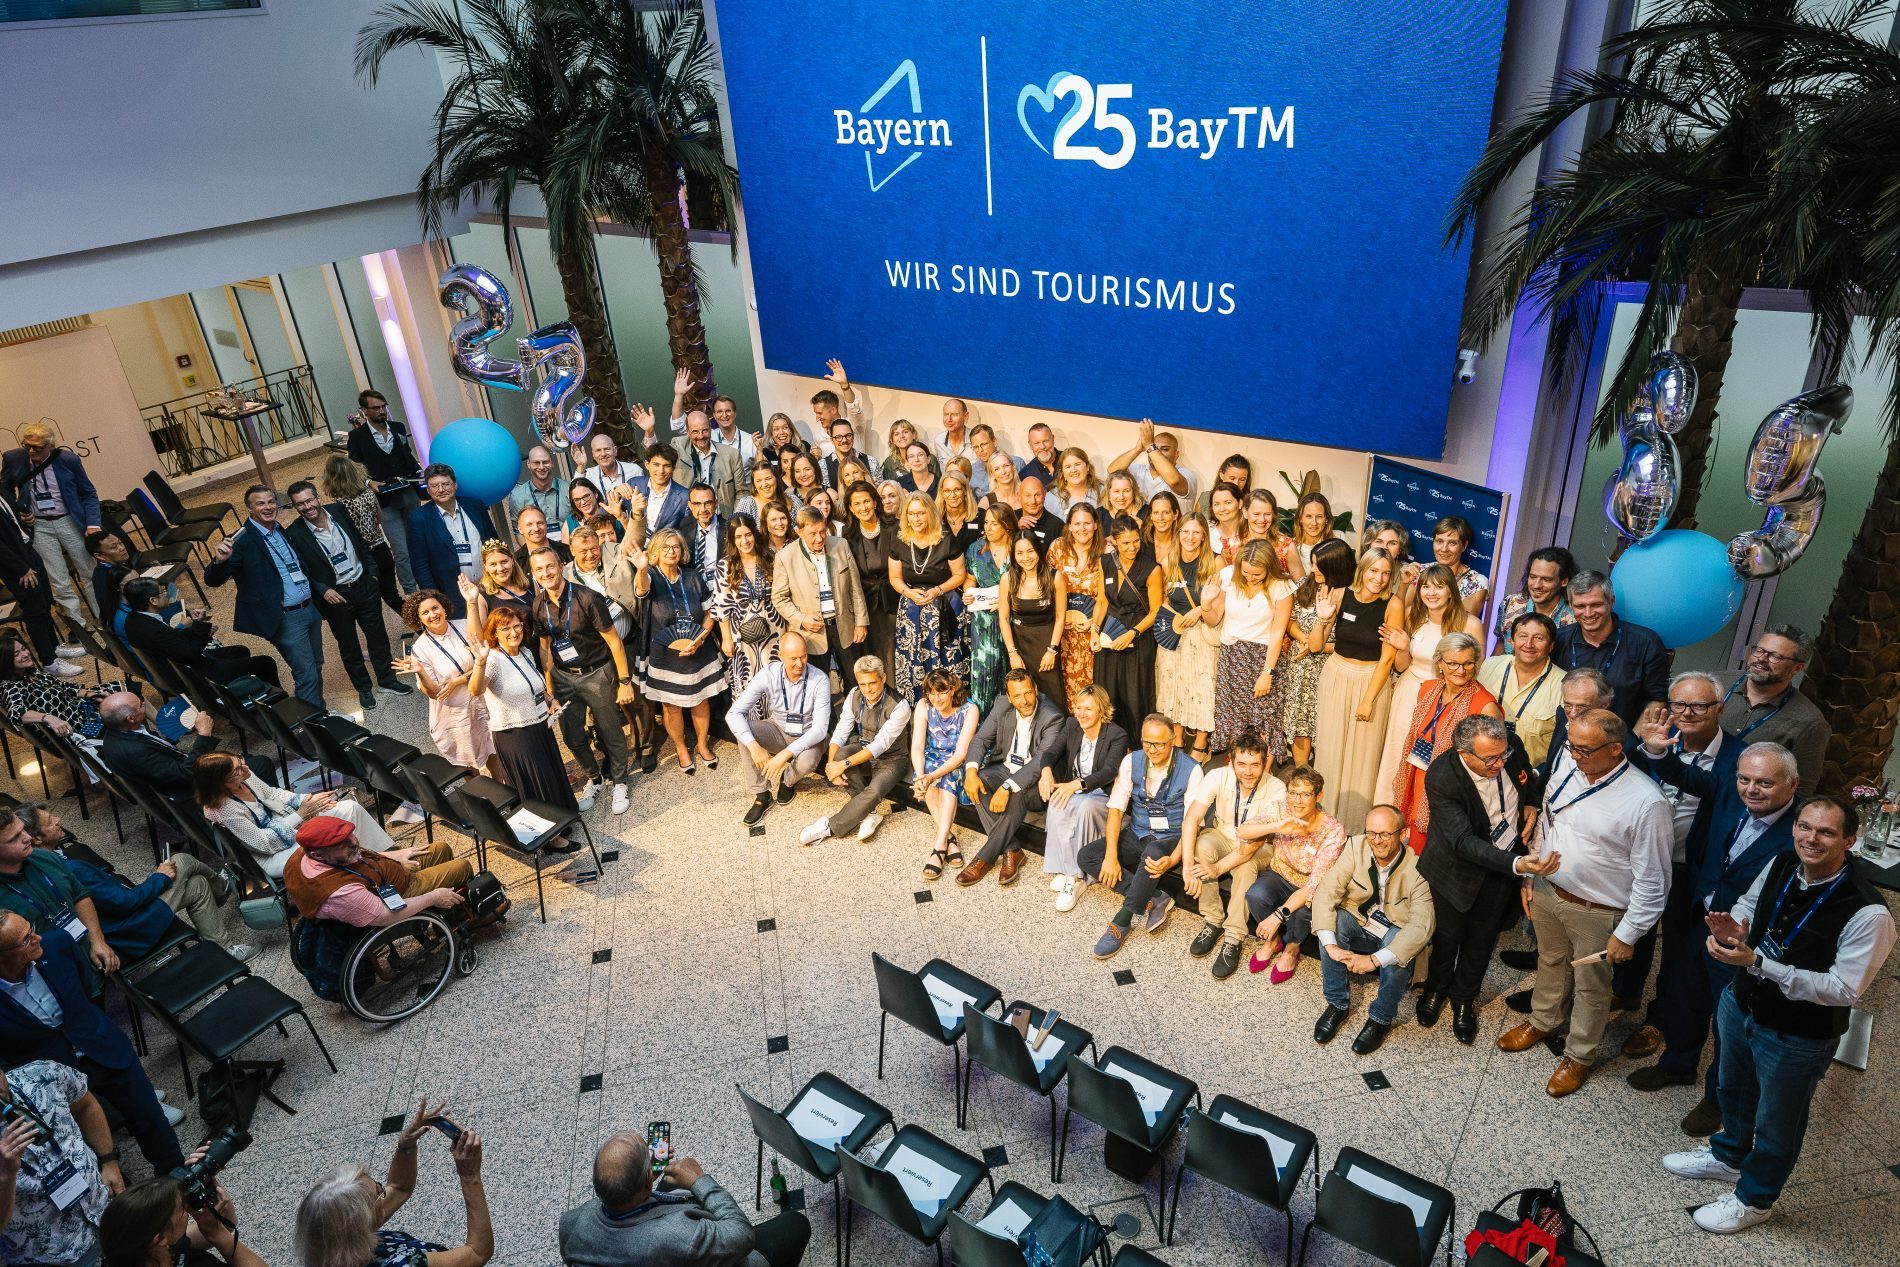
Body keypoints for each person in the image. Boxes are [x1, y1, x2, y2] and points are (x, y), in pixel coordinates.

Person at [1660, 794, 1893, 1235]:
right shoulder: (1783, 864)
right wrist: (1737, 928)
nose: (1812, 838)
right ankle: (1728, 1157)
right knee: (1732, 1087)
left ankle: (1756, 1198)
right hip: (1743, 1002)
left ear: (1850, 839)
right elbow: (1750, 901)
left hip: (1799, 1034)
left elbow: (1844, 988)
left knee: (1776, 1122)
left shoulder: (1869, 911)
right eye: (1805, 827)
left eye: (1826, 832)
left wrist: (1759, 963)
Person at [1631, 722, 1800, 1137]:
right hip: (1700, 917)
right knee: (1686, 996)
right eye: (1745, 779)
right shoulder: (1728, 789)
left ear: (1792, 784)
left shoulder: (1800, 832)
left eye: (1764, 782)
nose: (1751, 789)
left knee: (1730, 1022)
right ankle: (1677, 1065)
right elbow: (1685, 775)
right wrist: (1655, 750)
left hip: (1744, 941)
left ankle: (1717, 1099)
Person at [1498, 709, 1673, 1097]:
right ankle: (1543, 1020)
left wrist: (1628, 935)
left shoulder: (1646, 801)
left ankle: (1578, 1055)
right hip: (1550, 890)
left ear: (1615, 748)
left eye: (1584, 750)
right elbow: (1548, 822)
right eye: (1571, 746)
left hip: (1598, 909)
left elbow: (1654, 879)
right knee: (1550, 963)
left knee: (1593, 988)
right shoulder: (1570, 770)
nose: (1574, 756)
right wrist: (1532, 874)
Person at [0, 911, 181, 1171]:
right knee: (87, 1146)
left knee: (149, 1116)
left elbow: (86, 991)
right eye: (26, 939)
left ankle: (177, 1176)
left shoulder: (58, 944)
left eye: (32, 929)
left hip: (102, 1045)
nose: (37, 937)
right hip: (56, 1078)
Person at [1416, 716, 1552, 1044]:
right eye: (1490, 759)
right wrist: (1517, 863)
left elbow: (1528, 776)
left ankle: (1464, 1000)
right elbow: (1462, 842)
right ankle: (1435, 990)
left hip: (1501, 871)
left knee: (1482, 940)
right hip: (1456, 870)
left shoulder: (1507, 747)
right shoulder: (1443, 776)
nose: (1499, 763)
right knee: (1448, 937)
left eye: (1502, 755)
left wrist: (1532, 800)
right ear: (1464, 753)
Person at [24, 801, 253, 962]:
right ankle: (222, 888)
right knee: (182, 860)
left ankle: (224, 950)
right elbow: (125, 902)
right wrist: (159, 877)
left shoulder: (44, 866)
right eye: (50, 820)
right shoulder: (70, 869)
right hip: (131, 928)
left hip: (121, 919)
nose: (58, 819)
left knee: (198, 886)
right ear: (35, 839)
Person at [560, 1128, 809, 1267]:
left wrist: (644, 1181)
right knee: (796, 1225)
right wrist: (700, 1180)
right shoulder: (679, 1236)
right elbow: (742, 1236)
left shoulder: (571, 1224)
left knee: (670, 1182)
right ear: (647, 1180)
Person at [294, 1097, 491, 1267]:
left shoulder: (332, 1246)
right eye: (379, 1191)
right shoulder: (404, 1264)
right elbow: (477, 1253)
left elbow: (399, 1187)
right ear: (360, 1221)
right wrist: (470, 1175)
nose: (385, 1191)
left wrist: (406, 1146)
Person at [1310, 804, 1437, 1054]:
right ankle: (1337, 1004)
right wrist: (1331, 946)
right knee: (1330, 924)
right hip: (1359, 917)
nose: (1376, 841)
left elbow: (1422, 926)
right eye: (1371, 833)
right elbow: (1327, 890)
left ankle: (1380, 1018)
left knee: (1400, 950)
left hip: (1394, 927)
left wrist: (1373, 961)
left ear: (1402, 834)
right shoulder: (1356, 846)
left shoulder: (1419, 868)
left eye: (1385, 834)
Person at [1080, 716, 1205, 959]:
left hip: (1172, 838)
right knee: (1087, 856)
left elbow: (1192, 825)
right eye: (1147, 743)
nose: (1152, 750)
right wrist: (1110, 856)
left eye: (1159, 744)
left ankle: (1122, 920)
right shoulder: (1132, 760)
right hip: (1137, 831)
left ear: (1173, 741)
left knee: (1154, 853)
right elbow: (1116, 808)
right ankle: (1155, 896)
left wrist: (1173, 860)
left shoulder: (1192, 769)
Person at [284, 480, 411, 712]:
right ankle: (363, 688)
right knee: (349, 645)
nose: (307, 507)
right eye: (300, 504)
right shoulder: (294, 533)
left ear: (317, 498)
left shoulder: (338, 511)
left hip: (363, 584)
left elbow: (360, 541)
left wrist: (372, 574)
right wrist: (323, 590)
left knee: (378, 635)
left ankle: (387, 680)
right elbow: (301, 570)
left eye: (309, 500)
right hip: (336, 596)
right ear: (295, 507)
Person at [527, 548, 635, 815]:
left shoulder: (587, 597)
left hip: (596, 672)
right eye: (539, 570)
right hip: (564, 677)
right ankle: (595, 779)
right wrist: (549, 690)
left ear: (560, 565)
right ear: (534, 574)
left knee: (610, 731)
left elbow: (613, 640)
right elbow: (544, 648)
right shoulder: (538, 604)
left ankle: (620, 781)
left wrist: (624, 681)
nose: (546, 574)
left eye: (550, 567)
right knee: (573, 736)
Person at [1177, 732, 1287, 978]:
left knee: (1245, 866)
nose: (1248, 772)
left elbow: (1254, 843)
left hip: (1260, 847)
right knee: (1202, 847)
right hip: (1223, 835)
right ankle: (1213, 920)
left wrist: (1217, 869)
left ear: (1264, 763)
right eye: (1242, 764)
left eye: (1255, 765)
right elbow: (1192, 818)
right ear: (1231, 761)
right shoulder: (1217, 775)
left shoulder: (1277, 788)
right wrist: (1186, 867)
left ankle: (1234, 937)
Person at [202, 485, 323, 706]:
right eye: (260, 503)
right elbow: (213, 580)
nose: (268, 507)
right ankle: (314, 724)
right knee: (306, 673)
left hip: (309, 608)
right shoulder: (240, 540)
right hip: (284, 616)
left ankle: (317, 713)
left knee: (316, 664)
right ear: (249, 508)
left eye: (271, 502)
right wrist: (220, 560)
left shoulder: (278, 529)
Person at [193, 751, 396, 878]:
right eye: (237, 770)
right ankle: (368, 870)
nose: (245, 769)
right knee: (329, 838)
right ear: (220, 783)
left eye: (240, 761)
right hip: (270, 856)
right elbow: (263, 844)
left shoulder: (244, 776)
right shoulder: (224, 809)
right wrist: (301, 814)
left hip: (283, 825)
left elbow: (272, 793)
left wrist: (307, 800)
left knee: (350, 808)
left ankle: (388, 857)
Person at [1311, 548, 1401, 835]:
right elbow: (1315, 646)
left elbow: (1388, 658)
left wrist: (1367, 699)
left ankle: (1352, 828)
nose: (1380, 578)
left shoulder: (1393, 604)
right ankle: (1323, 820)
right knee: (1329, 748)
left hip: (1370, 681)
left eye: (1386, 573)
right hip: (1336, 676)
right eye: (1374, 571)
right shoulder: (1339, 594)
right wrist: (1323, 618)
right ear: (1363, 570)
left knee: (1362, 756)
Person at [0, 1056, 121, 1267]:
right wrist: (6, 1175)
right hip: (55, 1257)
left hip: (108, 1213)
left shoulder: (42, 1075)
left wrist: (108, 1160)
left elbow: (85, 1105)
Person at [466, 608, 580, 828]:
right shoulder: (492, 660)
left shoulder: (525, 652)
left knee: (549, 776)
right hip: (516, 735)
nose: (513, 632)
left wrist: (550, 700)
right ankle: (549, 835)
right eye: (505, 628)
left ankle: (561, 820)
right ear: (494, 633)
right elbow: (475, 690)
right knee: (536, 784)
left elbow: (533, 686)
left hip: (539, 727)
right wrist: (479, 662)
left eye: (517, 625)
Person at [1392, 633, 1504, 854]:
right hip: (1418, 777)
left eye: (1468, 663)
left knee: (1437, 850)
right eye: (1452, 663)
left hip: (1453, 791)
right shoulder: (1427, 689)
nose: (1460, 671)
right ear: (1439, 663)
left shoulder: (1485, 706)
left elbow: (1492, 764)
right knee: (1415, 847)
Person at [1372, 563, 1470, 813]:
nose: (1431, 593)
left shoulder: (1467, 624)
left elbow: (1470, 672)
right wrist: (1403, 646)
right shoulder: (1413, 617)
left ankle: (1421, 816)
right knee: (1398, 753)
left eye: (1439, 587)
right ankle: (1389, 812)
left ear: (1451, 590)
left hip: (1447, 698)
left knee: (1431, 759)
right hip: (1410, 692)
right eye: (1425, 586)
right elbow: (1402, 665)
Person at [959, 670, 1066, 886]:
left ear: (1036, 689)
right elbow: (980, 740)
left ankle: (983, 858)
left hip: (1036, 782)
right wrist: (970, 772)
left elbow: (1040, 761)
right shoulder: (1001, 706)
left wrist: (1007, 787)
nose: (1024, 700)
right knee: (979, 782)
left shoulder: (1052, 716)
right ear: (1009, 697)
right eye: (1017, 696)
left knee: (1018, 795)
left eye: (1028, 693)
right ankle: (1012, 850)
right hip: (1004, 768)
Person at [281, 815, 476, 929]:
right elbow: (385, 917)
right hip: (398, 895)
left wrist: (397, 855)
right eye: (342, 843)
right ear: (319, 855)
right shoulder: (337, 892)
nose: (354, 842)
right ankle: (463, 917)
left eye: (350, 835)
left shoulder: (309, 851)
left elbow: (357, 853)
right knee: (462, 867)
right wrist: (433, 897)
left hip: (385, 875)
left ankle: (452, 909)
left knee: (441, 848)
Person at [633, 529, 724, 772]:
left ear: (682, 551)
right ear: (655, 552)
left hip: (698, 649)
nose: (671, 551)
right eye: (665, 547)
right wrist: (641, 569)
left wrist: (701, 638)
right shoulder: (650, 576)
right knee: (671, 706)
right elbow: (641, 590)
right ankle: (681, 747)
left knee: (701, 700)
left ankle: (703, 744)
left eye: (676, 547)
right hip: (665, 655)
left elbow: (709, 612)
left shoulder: (693, 577)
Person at [1243, 767, 1347, 980]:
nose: (1297, 801)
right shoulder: (1280, 809)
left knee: (1303, 912)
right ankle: (1273, 941)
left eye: (1306, 794)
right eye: (1292, 793)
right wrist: (1277, 825)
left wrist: (1278, 915)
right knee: (1255, 895)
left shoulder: (1333, 831)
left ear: (1318, 796)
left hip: (1309, 885)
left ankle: (1292, 949)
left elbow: (1312, 886)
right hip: (1279, 874)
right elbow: (1242, 831)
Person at [2, 423, 100, 645]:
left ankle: (103, 617)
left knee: (89, 571)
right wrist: (19, 512)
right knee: (59, 580)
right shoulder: (14, 458)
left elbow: (89, 492)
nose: (31, 452)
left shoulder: (68, 460)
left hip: (68, 521)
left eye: (37, 448)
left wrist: (93, 524)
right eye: (27, 446)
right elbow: (4, 490)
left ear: (51, 445)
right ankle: (78, 626)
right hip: (40, 526)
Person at [98, 693, 268, 818]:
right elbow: (185, 774)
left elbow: (158, 749)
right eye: (140, 705)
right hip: (188, 794)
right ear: (131, 718)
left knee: (244, 757)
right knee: (260, 764)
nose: (144, 704)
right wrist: (204, 735)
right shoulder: (133, 751)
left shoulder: (119, 730)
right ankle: (264, 814)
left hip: (173, 775)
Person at [800, 656, 912, 846]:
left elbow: (879, 745)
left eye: (872, 683)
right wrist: (831, 765)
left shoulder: (899, 706)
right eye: (862, 684)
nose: (867, 690)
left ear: (883, 678)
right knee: (842, 753)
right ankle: (870, 814)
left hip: (893, 759)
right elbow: (841, 732)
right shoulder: (854, 694)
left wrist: (841, 766)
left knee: (875, 790)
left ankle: (828, 827)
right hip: (863, 748)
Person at [1712, 624, 1830, 798]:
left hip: (1743, 809)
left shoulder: (1810, 722)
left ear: (1797, 668)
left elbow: (1800, 791)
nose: (1761, 659)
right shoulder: (1714, 683)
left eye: (1775, 656)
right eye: (1759, 650)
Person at [727, 632, 832, 827]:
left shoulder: (820, 680)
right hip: (777, 729)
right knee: (743, 732)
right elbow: (733, 713)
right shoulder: (769, 674)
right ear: (780, 655)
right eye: (793, 658)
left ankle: (788, 780)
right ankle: (762, 794)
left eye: (803, 656)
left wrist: (784, 756)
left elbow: (820, 729)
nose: (800, 663)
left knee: (808, 762)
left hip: (808, 735)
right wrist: (755, 747)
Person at [1040, 685, 1129, 911]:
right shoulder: (1072, 726)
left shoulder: (1116, 734)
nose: (1081, 714)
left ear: (1101, 710)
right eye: (1078, 707)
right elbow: (1051, 752)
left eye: (1088, 709)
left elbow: (1109, 771)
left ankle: (1078, 878)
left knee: (1085, 806)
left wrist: (1076, 785)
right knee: (1057, 802)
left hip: (1103, 795)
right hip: (1077, 789)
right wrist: (1046, 771)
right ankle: (1066, 868)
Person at [1205, 539, 1296, 761]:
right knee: (1234, 717)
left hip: (1263, 658)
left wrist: (1267, 673)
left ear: (1269, 568)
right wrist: (1206, 603)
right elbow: (1213, 620)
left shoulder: (1281, 586)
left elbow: (1277, 632)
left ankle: (1262, 776)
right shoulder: (1228, 576)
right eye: (1246, 572)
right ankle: (1237, 768)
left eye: (1257, 574)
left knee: (1265, 719)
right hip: (1232, 656)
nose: (1250, 577)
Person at [392, 590, 499, 777]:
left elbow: (486, 661)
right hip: (455, 714)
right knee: (467, 765)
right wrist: (421, 672)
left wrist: (458, 680)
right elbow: (435, 693)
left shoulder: (464, 626)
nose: (433, 614)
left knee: (493, 750)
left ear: (444, 608)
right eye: (425, 612)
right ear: (418, 619)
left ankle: (508, 795)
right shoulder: (420, 648)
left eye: (435, 608)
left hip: (482, 702)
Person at [0, 807, 116, 979]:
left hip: (88, 953)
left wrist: (97, 939)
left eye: (23, 829)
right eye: (15, 838)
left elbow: (79, 895)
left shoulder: (45, 857)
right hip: (52, 977)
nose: (28, 838)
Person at [1551, 571, 1668, 729]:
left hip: (1621, 745)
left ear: (1611, 602)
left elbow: (1657, 698)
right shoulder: (1558, 640)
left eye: (1596, 605)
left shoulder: (1646, 642)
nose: (1588, 613)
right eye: (1580, 606)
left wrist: (1631, 744)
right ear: (1571, 606)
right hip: (1568, 740)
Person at [117, 578, 279, 691]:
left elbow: (171, 641)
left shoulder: (134, 619)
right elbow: (192, 655)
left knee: (240, 650)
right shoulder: (153, 629)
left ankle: (246, 689)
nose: (166, 594)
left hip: (179, 665)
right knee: (266, 662)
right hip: (198, 674)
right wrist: (201, 627)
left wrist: (198, 629)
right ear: (153, 600)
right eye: (163, 592)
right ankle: (278, 700)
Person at [1282, 538, 1354, 769]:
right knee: (1299, 721)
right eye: (1312, 563)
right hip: (1299, 666)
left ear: (1335, 566)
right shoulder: (1307, 585)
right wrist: (1303, 638)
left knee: (1324, 724)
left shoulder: (1351, 596)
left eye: (1317, 565)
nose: (1312, 569)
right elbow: (1291, 620)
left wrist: (1319, 646)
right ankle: (1300, 771)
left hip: (1329, 668)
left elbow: (1351, 641)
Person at [99, 1168, 266, 1267]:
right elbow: (222, 1232)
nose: (188, 1210)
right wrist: (218, 1234)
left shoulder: (131, 1248)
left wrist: (209, 1184)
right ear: (160, 1239)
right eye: (182, 1209)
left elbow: (228, 1225)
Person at [772, 507, 867, 681]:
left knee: (854, 680)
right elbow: (779, 598)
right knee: (816, 684)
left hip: (844, 627)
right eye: (813, 533)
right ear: (799, 531)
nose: (819, 538)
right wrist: (801, 619)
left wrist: (861, 622)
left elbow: (855, 587)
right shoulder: (785, 557)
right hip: (811, 633)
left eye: (822, 531)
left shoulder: (840, 544)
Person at [889, 493, 968, 701]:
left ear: (930, 513)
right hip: (912, 608)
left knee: (945, 660)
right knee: (914, 659)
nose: (915, 518)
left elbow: (960, 575)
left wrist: (937, 590)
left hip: (944, 606)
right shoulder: (899, 539)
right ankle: (918, 705)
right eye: (911, 513)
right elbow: (894, 577)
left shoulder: (946, 538)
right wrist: (908, 592)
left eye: (920, 513)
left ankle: (950, 703)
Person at [345, 389, 424, 591]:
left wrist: (419, 472)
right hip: (385, 501)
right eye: (376, 408)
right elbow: (354, 470)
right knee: (401, 550)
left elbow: (407, 456)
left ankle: (427, 582)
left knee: (420, 541)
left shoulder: (398, 427)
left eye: (383, 406)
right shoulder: (357, 437)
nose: (382, 411)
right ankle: (411, 591)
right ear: (364, 411)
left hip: (408, 492)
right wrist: (368, 483)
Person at [910, 670, 980, 882]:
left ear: (952, 690)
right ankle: (948, 838)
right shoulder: (923, 706)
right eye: (931, 693)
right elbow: (918, 746)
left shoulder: (969, 710)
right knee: (928, 773)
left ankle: (939, 846)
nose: (936, 699)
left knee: (947, 778)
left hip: (957, 760)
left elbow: (961, 754)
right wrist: (921, 776)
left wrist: (932, 777)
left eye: (941, 693)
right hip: (933, 756)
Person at [1093, 515, 1162, 730]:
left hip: (1138, 641)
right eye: (1125, 543)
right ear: (1113, 541)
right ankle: (1108, 744)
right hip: (1109, 639)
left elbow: (1156, 611)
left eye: (1136, 541)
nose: (1132, 547)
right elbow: (1102, 601)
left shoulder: (1152, 568)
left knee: (1135, 697)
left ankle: (1138, 747)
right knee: (1108, 695)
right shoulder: (1105, 562)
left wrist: (1132, 633)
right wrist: (1094, 631)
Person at [407, 466, 501, 620]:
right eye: (434, 486)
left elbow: (494, 542)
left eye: (445, 484)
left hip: (489, 587)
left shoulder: (475, 506)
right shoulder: (418, 520)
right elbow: (420, 567)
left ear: (455, 485)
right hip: (453, 597)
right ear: (428, 490)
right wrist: (436, 600)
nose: (441, 489)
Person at [0, 630, 123, 746]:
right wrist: (48, 718)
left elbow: (63, 686)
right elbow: (16, 712)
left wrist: (90, 694)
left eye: (24, 649)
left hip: (79, 709)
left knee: (121, 690)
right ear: (5, 660)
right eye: (17, 654)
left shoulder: (30, 672)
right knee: (123, 708)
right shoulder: (11, 687)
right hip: (77, 729)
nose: (26, 654)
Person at [321, 454, 406, 616]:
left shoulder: (339, 505)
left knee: (370, 605)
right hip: (381, 549)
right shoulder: (368, 493)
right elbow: (379, 518)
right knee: (392, 595)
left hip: (364, 557)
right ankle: (421, 624)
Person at [1478, 611, 1564, 768]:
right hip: (1481, 767)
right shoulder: (1489, 666)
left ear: (1551, 646)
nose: (1529, 644)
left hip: (1528, 775)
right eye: (1523, 636)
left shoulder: (1564, 686)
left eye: (1539, 638)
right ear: (1511, 641)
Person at [0, 488, 67, 675]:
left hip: (28, 551)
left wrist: (25, 521)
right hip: (16, 565)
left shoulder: (2, 491)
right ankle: (49, 661)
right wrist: (20, 568)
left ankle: (54, 648)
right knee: (34, 611)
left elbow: (12, 522)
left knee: (45, 602)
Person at [998, 532, 1066, 710]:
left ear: (1038, 551)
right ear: (1013, 555)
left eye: (1030, 551)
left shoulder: (1054, 577)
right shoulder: (1008, 578)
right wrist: (1013, 653)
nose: (1026, 558)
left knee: (1053, 696)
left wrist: (1052, 650)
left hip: (1046, 642)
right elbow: (1004, 619)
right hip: (1019, 644)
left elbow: (1060, 617)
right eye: (1020, 553)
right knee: (1023, 696)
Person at [963, 504, 1016, 716]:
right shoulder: (975, 549)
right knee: (985, 677)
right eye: (986, 522)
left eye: (995, 523)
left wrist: (1007, 603)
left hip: (1014, 621)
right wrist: (968, 592)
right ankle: (985, 733)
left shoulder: (1019, 547)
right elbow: (969, 580)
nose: (988, 527)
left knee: (1011, 674)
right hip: (984, 622)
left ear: (1007, 524)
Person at [1049, 502, 1103, 706]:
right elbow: (1046, 586)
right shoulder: (1057, 548)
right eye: (1077, 523)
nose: (1082, 529)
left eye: (1087, 523)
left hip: (1092, 633)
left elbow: (1111, 596)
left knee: (1092, 688)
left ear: (1095, 525)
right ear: (1069, 525)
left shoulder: (1106, 551)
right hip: (1062, 633)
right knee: (1061, 687)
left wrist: (1093, 622)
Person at [841, 482, 897, 674]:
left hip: (894, 601)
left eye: (866, 501)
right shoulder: (847, 535)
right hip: (866, 606)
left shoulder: (894, 526)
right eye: (857, 504)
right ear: (850, 508)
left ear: (875, 502)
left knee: (895, 654)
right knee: (874, 657)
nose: (863, 507)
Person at [1493, 546, 1577, 652]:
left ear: (1564, 581)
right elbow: (1501, 643)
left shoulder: (1575, 615)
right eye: (1533, 577)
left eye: (1546, 579)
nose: (1537, 585)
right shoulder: (1511, 603)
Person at [1107, 417, 1198, 505]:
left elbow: (1174, 482)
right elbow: (1112, 472)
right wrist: (1137, 449)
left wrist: (1150, 445)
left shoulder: (1186, 474)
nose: (1157, 452)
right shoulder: (1139, 470)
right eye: (1155, 448)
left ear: (1176, 454)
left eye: (1165, 449)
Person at [1416, 515, 1488, 618]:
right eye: (1439, 541)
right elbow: (1406, 612)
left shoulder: (1477, 582)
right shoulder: (1419, 571)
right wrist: (1403, 585)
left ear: (1464, 546)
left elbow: (1463, 624)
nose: (1444, 549)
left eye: (1452, 543)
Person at [507, 445, 566, 537]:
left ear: (552, 463)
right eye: (536, 463)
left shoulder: (568, 489)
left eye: (545, 462)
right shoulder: (517, 496)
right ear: (528, 464)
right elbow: (518, 532)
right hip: (538, 549)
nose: (541, 467)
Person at [512, 506, 570, 574]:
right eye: (529, 524)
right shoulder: (515, 562)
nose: (536, 528)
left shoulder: (567, 551)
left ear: (546, 525)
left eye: (540, 523)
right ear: (520, 529)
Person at [587, 431, 645, 500]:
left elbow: (645, 497)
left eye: (607, 449)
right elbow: (574, 496)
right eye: (598, 450)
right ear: (593, 455)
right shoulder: (588, 475)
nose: (603, 454)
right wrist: (580, 467)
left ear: (615, 450)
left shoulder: (635, 470)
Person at [1289, 492, 1336, 573]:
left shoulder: (1337, 540)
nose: (1314, 523)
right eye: (1308, 516)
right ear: (1300, 519)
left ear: (1326, 519)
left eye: (1319, 516)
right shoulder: (1291, 547)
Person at [1052, 447, 1102, 516]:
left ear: (1087, 467)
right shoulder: (1052, 497)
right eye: (1068, 467)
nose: (1073, 470)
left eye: (1077, 464)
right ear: (1062, 472)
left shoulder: (1103, 491)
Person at [1207, 484, 1245, 564]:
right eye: (1216, 504)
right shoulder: (1205, 529)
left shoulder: (1252, 532)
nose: (1222, 509)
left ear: (1240, 503)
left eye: (1228, 503)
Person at [1018, 423, 1061, 489]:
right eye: (1037, 443)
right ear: (1030, 445)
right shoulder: (1025, 474)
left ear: (1053, 439)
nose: (1042, 446)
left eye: (1046, 441)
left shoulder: (1070, 459)